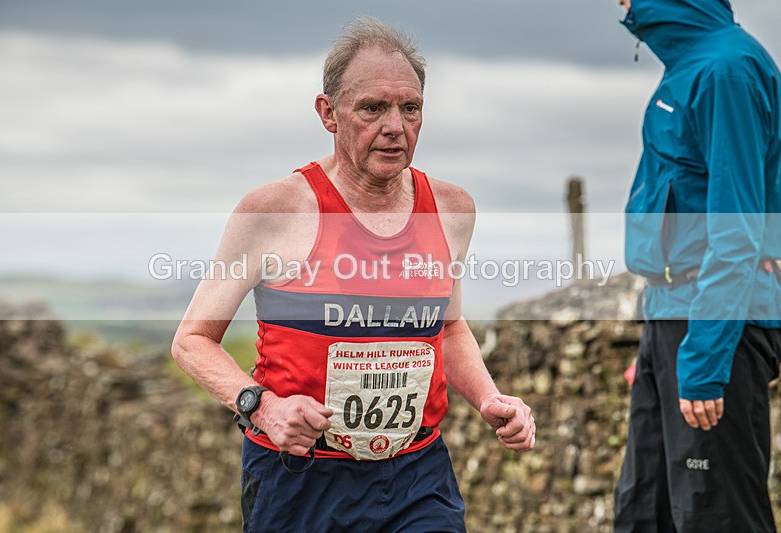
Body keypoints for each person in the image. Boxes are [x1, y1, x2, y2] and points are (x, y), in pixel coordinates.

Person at [172, 17, 536, 532]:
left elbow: (448, 328)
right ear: (328, 113)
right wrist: (262, 407)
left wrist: (488, 397)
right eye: (373, 108)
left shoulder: (452, 209)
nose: (395, 126)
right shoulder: (273, 211)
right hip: (300, 478)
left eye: (410, 109)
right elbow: (192, 340)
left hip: (417, 474)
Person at [612, 0, 781, 530]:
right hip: (676, 318)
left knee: (716, 517)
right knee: (644, 512)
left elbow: (738, 231)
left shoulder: (724, 69)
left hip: (713, 325)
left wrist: (705, 356)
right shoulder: (691, 65)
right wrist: (660, 340)